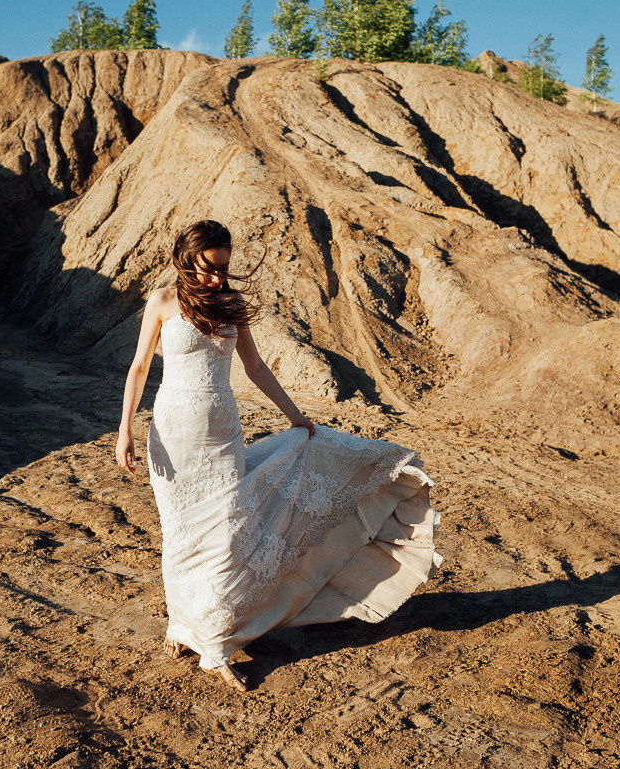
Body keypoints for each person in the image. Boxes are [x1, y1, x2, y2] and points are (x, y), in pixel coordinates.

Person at [116, 220, 441, 692]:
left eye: (224, 269)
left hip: (221, 434)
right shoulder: (163, 301)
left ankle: (214, 638)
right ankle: (182, 626)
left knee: (226, 532)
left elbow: (254, 366)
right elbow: (140, 366)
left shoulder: (231, 303)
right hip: (173, 433)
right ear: (185, 259)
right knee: (182, 534)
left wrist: (295, 416)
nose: (216, 279)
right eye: (209, 269)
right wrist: (125, 430)